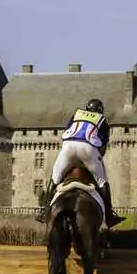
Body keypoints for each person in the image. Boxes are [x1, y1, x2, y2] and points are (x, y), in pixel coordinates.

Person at [36, 98, 125, 228]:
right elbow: (103, 148)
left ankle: (44, 211)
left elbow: (66, 133)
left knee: (54, 179)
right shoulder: (102, 120)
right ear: (100, 110)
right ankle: (110, 215)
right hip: (89, 150)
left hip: (68, 148)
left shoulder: (76, 115)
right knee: (102, 182)